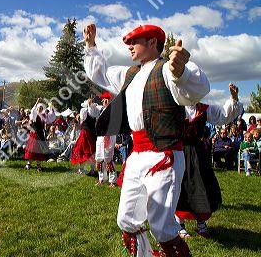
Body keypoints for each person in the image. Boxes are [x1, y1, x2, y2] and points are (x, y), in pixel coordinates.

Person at [83, 23, 209, 256]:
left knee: (162, 229)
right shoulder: (130, 74)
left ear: (153, 43)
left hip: (165, 156)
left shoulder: (168, 70)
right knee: (127, 220)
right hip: (137, 156)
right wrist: (91, 46)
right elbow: (101, 72)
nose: (129, 46)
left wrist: (181, 72)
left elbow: (196, 90)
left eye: (134, 41)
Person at [176, 83, 243, 239]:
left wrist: (234, 99)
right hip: (180, 151)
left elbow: (224, 115)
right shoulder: (176, 108)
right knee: (181, 186)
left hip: (199, 154)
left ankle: (201, 223)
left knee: (202, 185)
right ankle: (179, 224)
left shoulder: (204, 109)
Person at [24, 98, 55, 172]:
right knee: (32, 149)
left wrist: (51, 106)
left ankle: (38, 165)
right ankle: (28, 164)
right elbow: (33, 110)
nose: (40, 109)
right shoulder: (34, 115)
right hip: (34, 134)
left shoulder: (44, 115)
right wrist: (37, 101)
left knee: (39, 150)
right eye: (39, 108)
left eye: (41, 108)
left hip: (40, 134)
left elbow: (51, 116)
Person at [94, 91, 118, 188]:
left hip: (109, 136)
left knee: (108, 158)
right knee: (99, 158)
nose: (104, 101)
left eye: (107, 99)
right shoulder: (101, 111)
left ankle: (112, 180)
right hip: (100, 137)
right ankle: (101, 179)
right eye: (104, 99)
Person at [70, 98, 99, 175]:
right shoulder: (94, 110)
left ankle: (83, 169)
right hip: (92, 133)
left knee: (82, 150)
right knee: (90, 151)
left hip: (86, 133)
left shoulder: (86, 110)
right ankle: (90, 170)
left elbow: (82, 120)